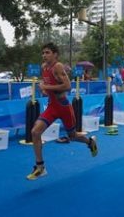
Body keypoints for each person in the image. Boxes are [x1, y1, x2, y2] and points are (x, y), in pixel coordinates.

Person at [27, 42, 98, 180]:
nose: (44, 55)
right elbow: (47, 85)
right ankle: (40, 167)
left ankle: (90, 142)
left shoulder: (58, 66)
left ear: (55, 54)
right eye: (43, 53)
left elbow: (67, 86)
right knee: (35, 132)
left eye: (47, 52)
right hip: (52, 106)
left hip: (64, 107)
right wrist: (43, 89)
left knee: (72, 135)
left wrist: (46, 86)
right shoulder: (44, 67)